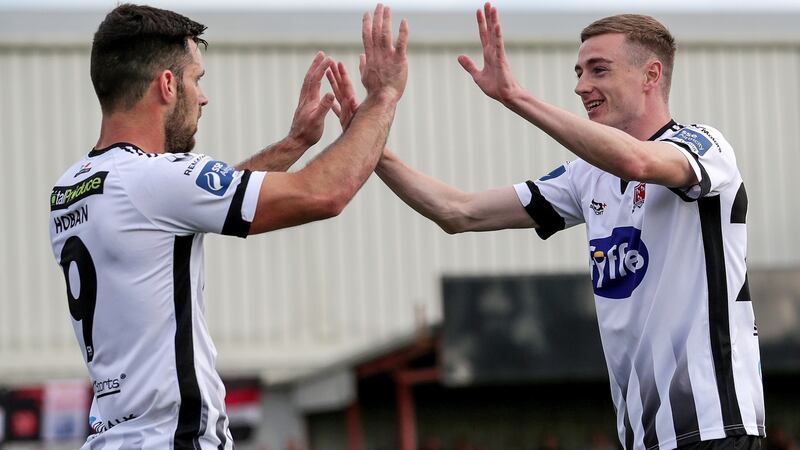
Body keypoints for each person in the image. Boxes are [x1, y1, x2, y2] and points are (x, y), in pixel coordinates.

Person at [328, 3, 763, 449]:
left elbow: (638, 161)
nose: (580, 86)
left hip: (715, 426)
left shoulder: (704, 146)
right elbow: (458, 211)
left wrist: (514, 96)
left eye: (598, 70)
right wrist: (370, 139)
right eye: (579, 72)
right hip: (644, 438)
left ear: (651, 75)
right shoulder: (585, 176)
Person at [48, 3, 407, 449]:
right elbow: (324, 193)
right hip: (171, 440)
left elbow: (189, 203)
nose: (202, 97)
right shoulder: (153, 179)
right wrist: (384, 97)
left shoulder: (73, 187)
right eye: (197, 80)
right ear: (166, 85)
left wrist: (294, 144)